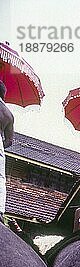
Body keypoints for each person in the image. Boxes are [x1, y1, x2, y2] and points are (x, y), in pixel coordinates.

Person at [0, 80, 14, 222]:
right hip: (0, 144)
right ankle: (0, 210)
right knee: (0, 178)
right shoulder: (9, 114)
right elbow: (9, 141)